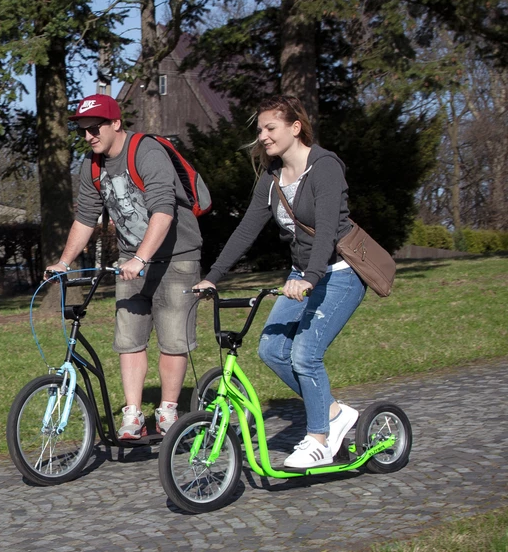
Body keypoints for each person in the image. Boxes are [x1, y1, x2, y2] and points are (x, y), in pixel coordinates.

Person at [196, 95, 366, 469]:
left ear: (295, 127)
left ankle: (320, 439)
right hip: (302, 275)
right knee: (271, 350)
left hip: (339, 274)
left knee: (306, 354)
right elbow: (245, 232)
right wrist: (211, 277)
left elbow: (324, 234)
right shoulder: (271, 180)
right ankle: (335, 414)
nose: (263, 136)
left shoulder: (324, 167)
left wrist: (309, 278)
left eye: (270, 128)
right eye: (259, 130)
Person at [45, 94, 202, 439]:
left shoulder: (145, 152)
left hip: (176, 258)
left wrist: (142, 258)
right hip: (131, 261)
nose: (89, 136)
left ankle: (168, 412)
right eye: (83, 131)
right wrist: (64, 261)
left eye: (95, 127)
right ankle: (133, 415)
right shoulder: (92, 166)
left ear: (116, 123)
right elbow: (85, 217)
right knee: (129, 339)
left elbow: (164, 210)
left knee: (173, 340)